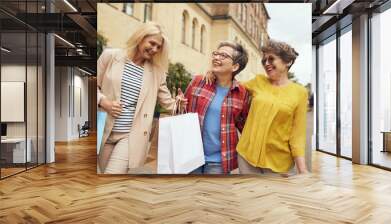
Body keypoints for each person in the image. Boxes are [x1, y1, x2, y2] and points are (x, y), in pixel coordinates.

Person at [206, 39, 308, 175]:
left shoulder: (300, 92)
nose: (266, 63)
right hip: (246, 157)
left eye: (271, 59)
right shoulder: (258, 81)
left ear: (287, 62)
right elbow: (230, 85)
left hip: (278, 163)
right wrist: (215, 74)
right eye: (264, 60)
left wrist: (302, 169)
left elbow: (297, 134)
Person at [97, 22, 186, 174]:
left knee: (111, 176)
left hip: (130, 136)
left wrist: (179, 103)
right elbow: (93, 85)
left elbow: (169, 104)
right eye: (152, 43)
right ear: (140, 38)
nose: (155, 49)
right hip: (104, 131)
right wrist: (103, 101)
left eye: (159, 47)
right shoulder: (110, 56)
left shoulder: (157, 73)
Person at [185, 41, 251, 174]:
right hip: (190, 156)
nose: (216, 57)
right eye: (216, 54)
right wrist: (179, 103)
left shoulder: (242, 93)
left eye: (223, 56)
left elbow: (246, 128)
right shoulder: (198, 81)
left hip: (219, 161)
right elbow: (182, 114)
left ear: (235, 66)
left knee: (213, 194)